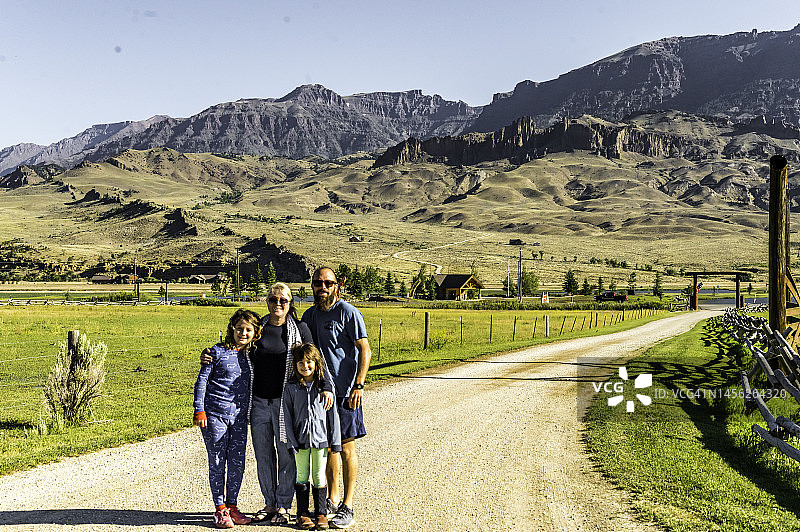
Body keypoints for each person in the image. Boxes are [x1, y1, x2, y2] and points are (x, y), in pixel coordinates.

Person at [200, 282, 334, 525]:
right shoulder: (258, 328)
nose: (278, 304)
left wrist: (325, 386)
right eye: (273, 300)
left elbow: (315, 359)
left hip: (286, 403)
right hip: (259, 402)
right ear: (267, 302)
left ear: (290, 302)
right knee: (263, 456)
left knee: (286, 455)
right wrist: (210, 353)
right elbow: (236, 345)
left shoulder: (300, 329)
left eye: (283, 300)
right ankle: (269, 503)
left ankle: (283, 505)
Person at [301, 267, 372, 529]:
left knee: (347, 447)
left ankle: (347, 505)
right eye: (318, 283)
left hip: (345, 393)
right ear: (312, 286)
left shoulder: (348, 312)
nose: (323, 287)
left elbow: (364, 349)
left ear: (336, 286)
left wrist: (359, 385)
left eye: (328, 283)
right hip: (320, 394)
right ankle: (330, 499)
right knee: (329, 447)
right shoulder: (309, 315)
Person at [193, 308, 261, 529]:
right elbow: (202, 381)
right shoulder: (216, 352)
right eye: (239, 328)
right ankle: (219, 509)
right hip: (215, 416)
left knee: (237, 463)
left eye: (248, 330)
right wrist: (199, 409)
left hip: (240, 418)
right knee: (217, 461)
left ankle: (232, 505)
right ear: (232, 328)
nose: (243, 333)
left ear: (255, 333)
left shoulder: (252, 354)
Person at [282, 343, 342, 530]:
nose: (305, 366)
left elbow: (333, 417)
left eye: (309, 362)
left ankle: (321, 513)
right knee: (301, 476)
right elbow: (287, 416)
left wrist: (336, 442)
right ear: (295, 365)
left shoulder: (323, 389)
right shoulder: (291, 388)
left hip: (320, 441)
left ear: (316, 364)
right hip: (299, 441)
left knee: (318, 476)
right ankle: (302, 513)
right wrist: (291, 441)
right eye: (300, 363)